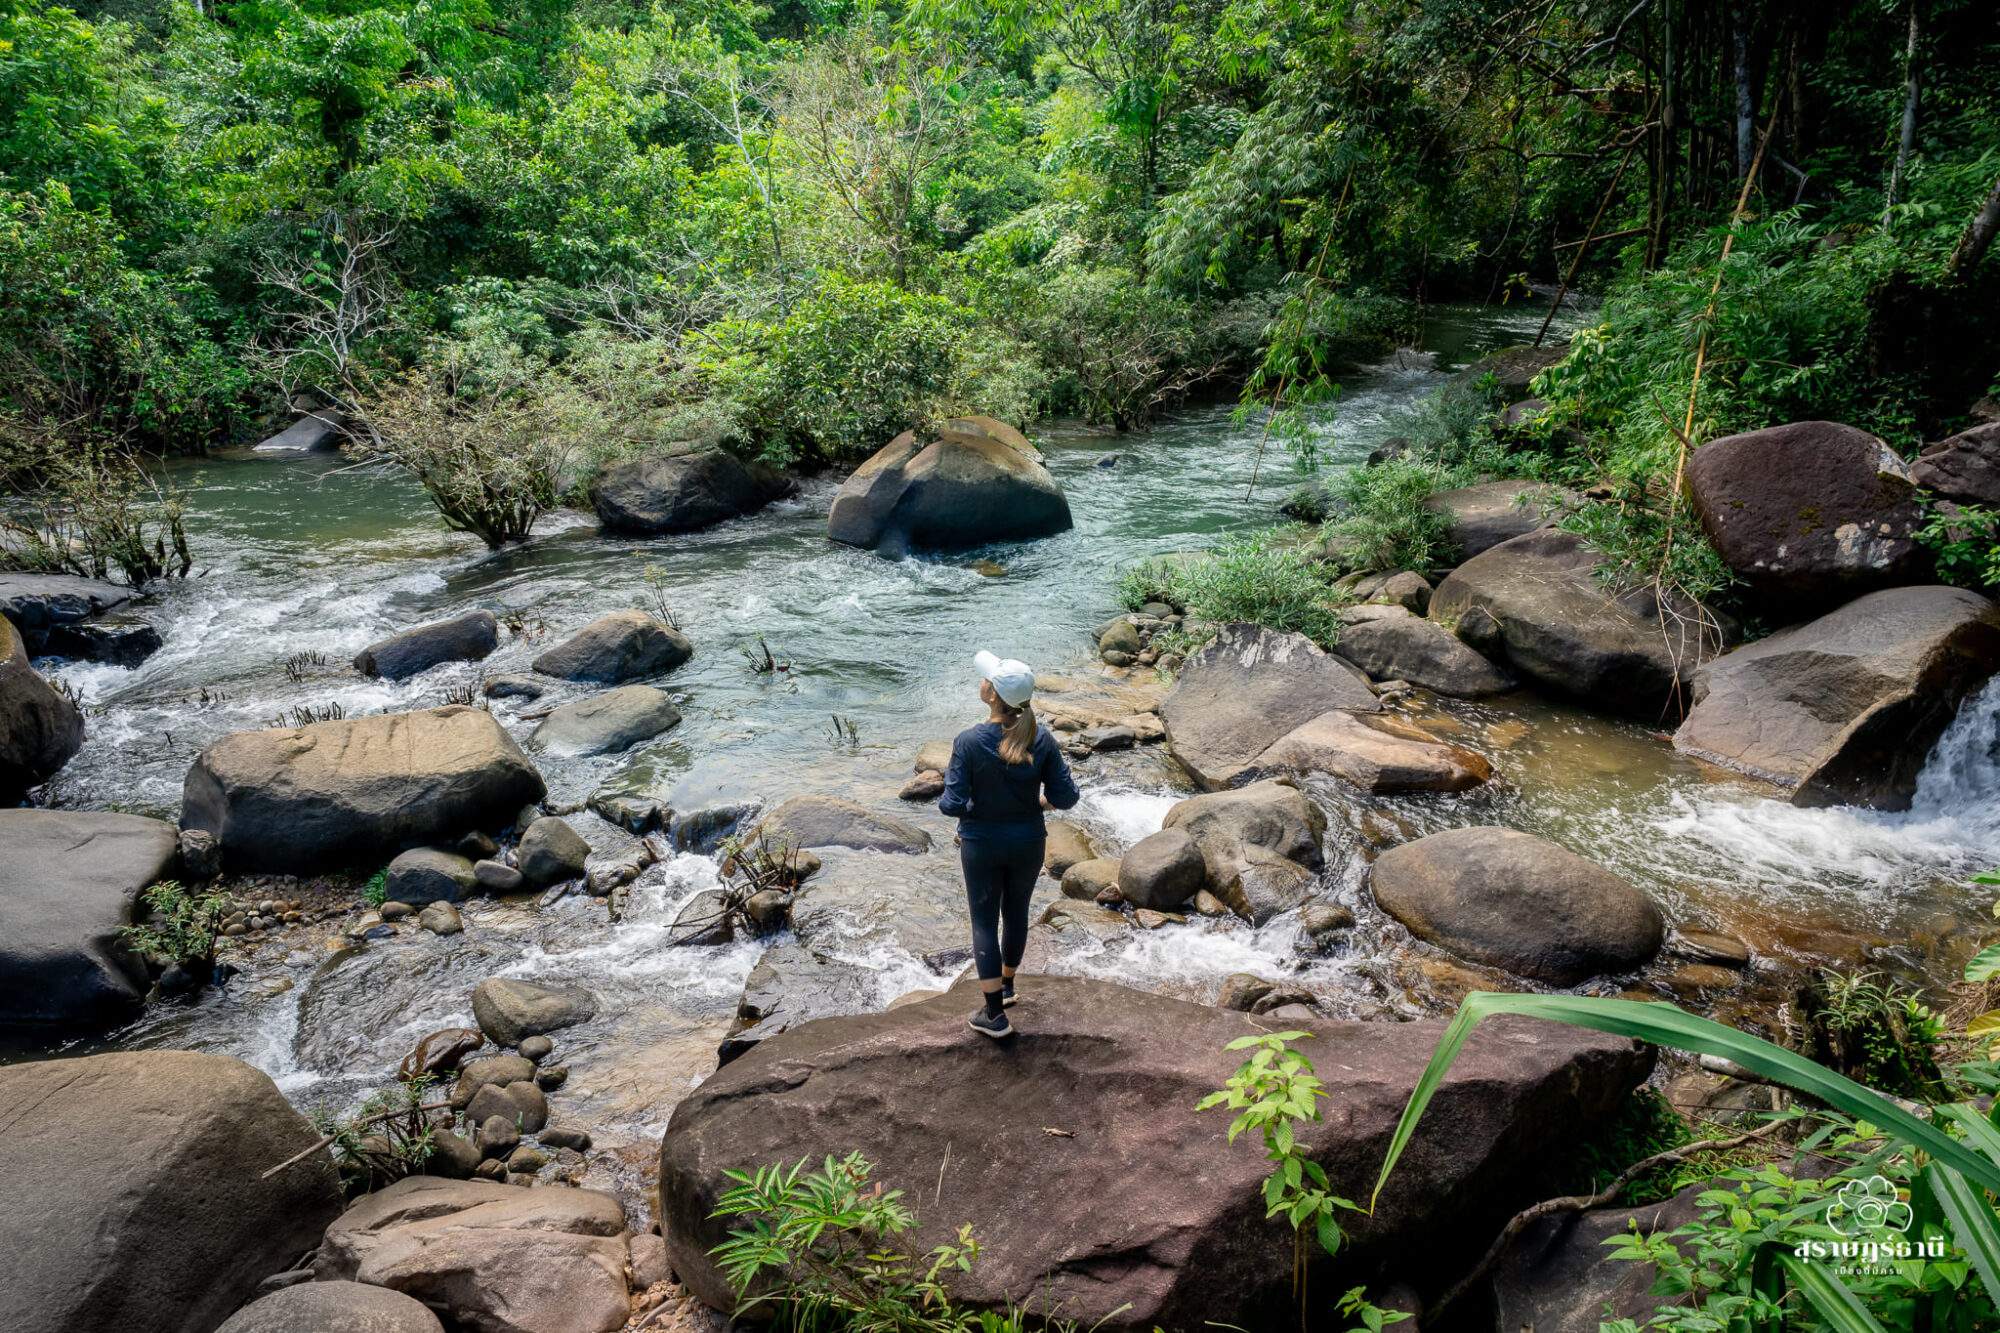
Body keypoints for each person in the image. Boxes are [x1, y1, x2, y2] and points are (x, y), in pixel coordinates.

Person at [938, 649, 1080, 1039]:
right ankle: (1008, 986)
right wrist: (1037, 803)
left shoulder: (968, 742)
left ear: (991, 694)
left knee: (984, 920)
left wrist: (972, 804)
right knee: (1015, 912)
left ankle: (994, 1015)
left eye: (986, 680)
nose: (981, 682)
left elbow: (951, 805)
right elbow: (1067, 797)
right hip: (1028, 841)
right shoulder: (1042, 738)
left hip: (981, 843)